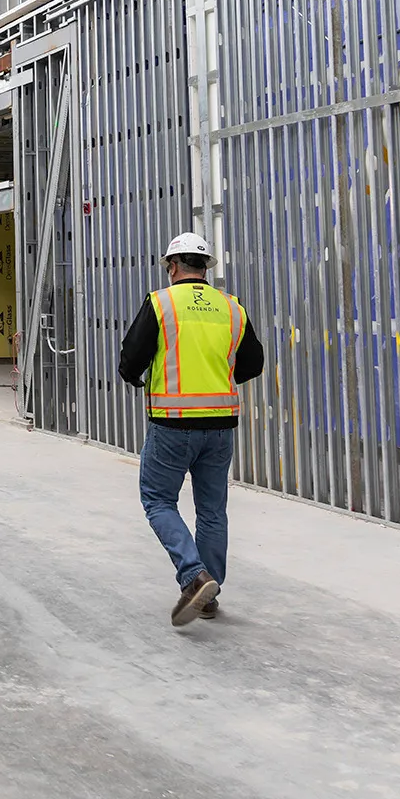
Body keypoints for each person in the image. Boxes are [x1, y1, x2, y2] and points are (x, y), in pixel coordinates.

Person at [117, 231, 264, 626]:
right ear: (205, 268)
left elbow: (130, 359)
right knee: (213, 510)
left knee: (158, 500)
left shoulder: (161, 303)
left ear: (172, 266)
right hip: (220, 426)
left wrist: (137, 377)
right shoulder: (231, 308)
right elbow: (252, 364)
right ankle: (210, 591)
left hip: (172, 424)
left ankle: (194, 575)